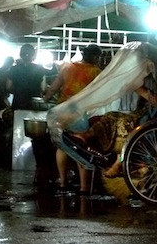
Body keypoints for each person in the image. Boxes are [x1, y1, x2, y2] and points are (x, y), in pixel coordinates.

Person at [43, 44, 102, 194]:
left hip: (61, 110)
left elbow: (54, 87)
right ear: (95, 57)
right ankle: (83, 187)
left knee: (62, 146)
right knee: (80, 147)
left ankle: (62, 182)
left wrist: (46, 98)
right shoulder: (95, 71)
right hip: (78, 113)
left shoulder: (66, 67)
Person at [7, 44, 52, 188]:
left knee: (16, 133)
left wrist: (19, 89)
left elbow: (8, 87)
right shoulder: (40, 69)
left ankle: (14, 162)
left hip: (18, 102)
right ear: (33, 55)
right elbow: (43, 88)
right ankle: (36, 164)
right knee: (37, 136)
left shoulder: (13, 69)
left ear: (21, 54)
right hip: (34, 105)